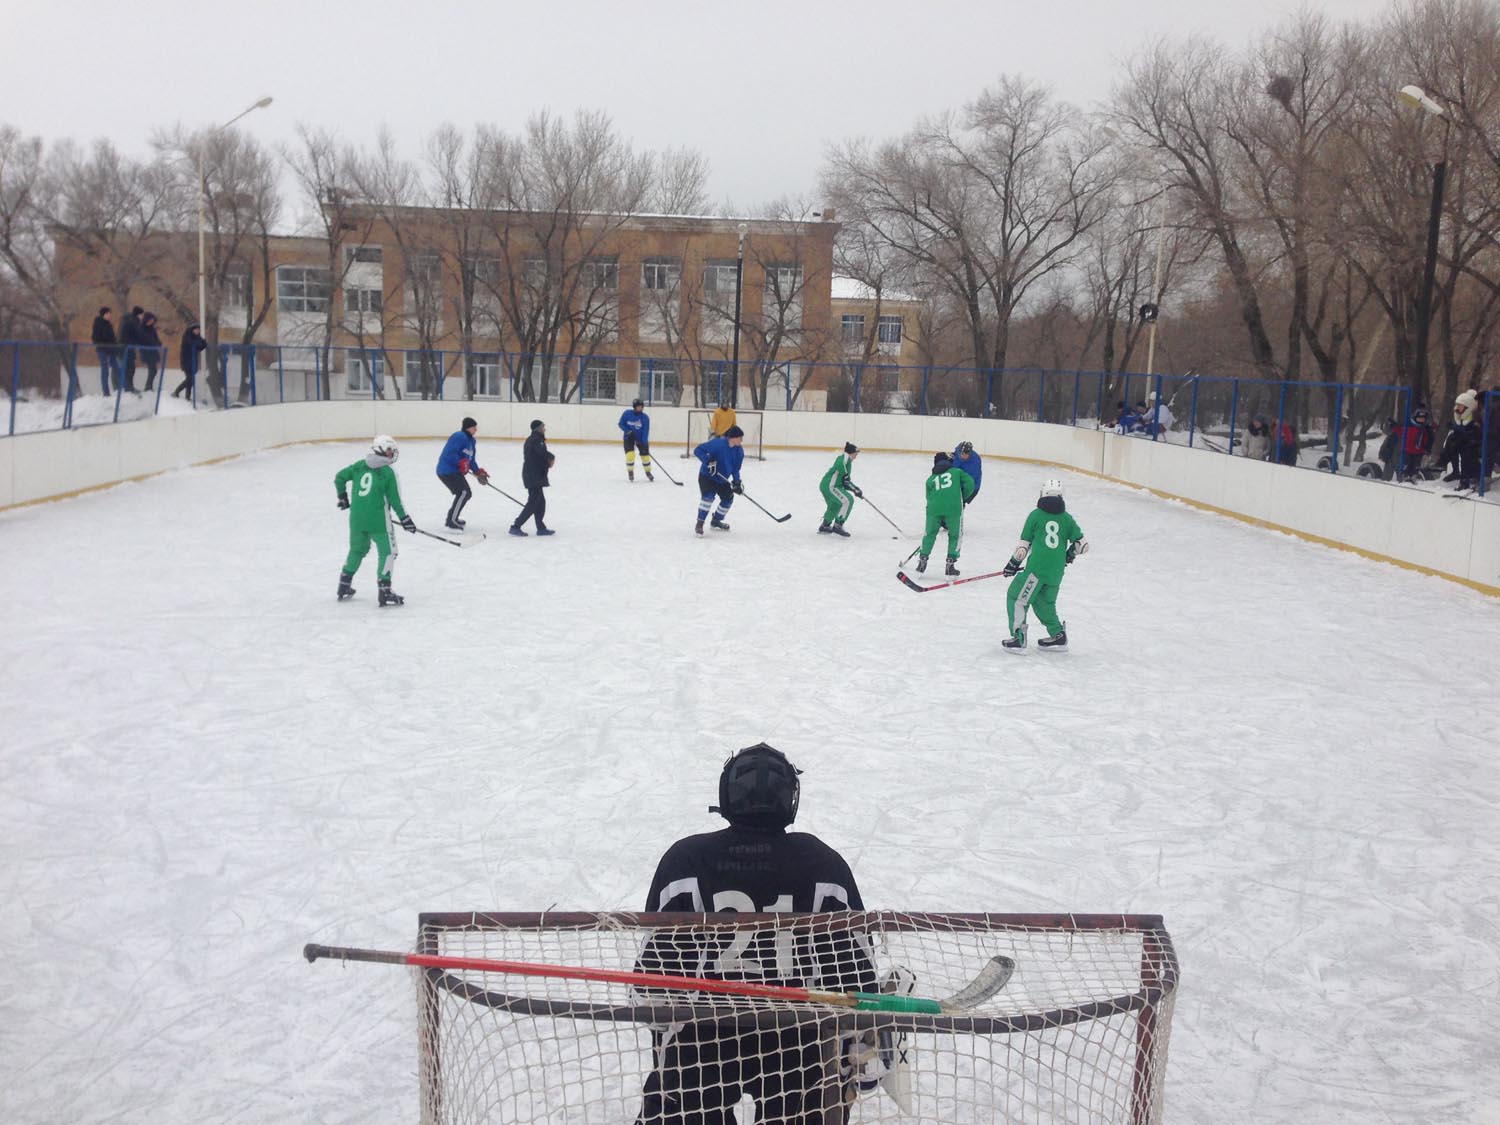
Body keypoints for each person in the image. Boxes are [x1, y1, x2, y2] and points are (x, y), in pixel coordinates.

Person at [636, 742, 875, 1124]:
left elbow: (651, 982)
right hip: (798, 1039)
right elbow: (856, 978)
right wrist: (858, 1047)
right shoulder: (824, 863)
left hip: (702, 1038)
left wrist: (665, 1050)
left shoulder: (685, 860)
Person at [1000, 479, 1087, 652]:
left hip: (1036, 571)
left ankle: (1019, 638)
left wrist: (1012, 564)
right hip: (1056, 572)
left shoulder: (1036, 515)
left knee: (1016, 598)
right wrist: (1069, 555)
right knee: (1044, 603)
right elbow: (1083, 545)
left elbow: (1023, 547)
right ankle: (1058, 636)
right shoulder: (1067, 519)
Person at [333, 435, 416, 607]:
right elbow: (395, 500)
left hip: (356, 519)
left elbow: (339, 477)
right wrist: (405, 519)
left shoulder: (359, 465)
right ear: (379, 450)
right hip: (378, 521)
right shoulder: (388, 471)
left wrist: (342, 497)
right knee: (388, 552)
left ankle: (344, 584)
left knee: (357, 550)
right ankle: (385, 590)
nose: (391, 454)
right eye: (388, 450)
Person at [915, 451, 974, 576]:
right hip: (954, 508)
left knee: (929, 534)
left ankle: (922, 560)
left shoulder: (930, 479)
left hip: (933, 509)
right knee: (955, 535)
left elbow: (928, 497)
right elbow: (970, 483)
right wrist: (962, 498)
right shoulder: (957, 472)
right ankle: (950, 565)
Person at [436, 416, 489, 530]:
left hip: (455, 471)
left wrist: (478, 472)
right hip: (446, 470)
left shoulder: (472, 441)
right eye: (474, 427)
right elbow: (449, 454)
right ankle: (451, 520)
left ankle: (453, 518)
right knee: (464, 492)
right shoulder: (459, 436)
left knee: (465, 493)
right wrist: (461, 462)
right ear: (468, 428)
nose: (476, 430)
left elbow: (471, 460)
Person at [693, 424, 745, 535]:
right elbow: (698, 450)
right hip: (707, 477)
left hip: (722, 479)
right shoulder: (718, 444)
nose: (741, 441)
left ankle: (716, 520)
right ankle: (699, 524)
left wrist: (737, 482)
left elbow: (736, 469)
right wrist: (708, 461)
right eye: (740, 438)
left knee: (728, 499)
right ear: (733, 438)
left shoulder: (739, 451)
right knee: (708, 498)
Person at [510, 419, 555, 536]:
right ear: (538, 429)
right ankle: (516, 526)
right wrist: (551, 457)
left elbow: (538, 457)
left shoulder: (535, 439)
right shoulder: (536, 440)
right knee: (534, 502)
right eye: (543, 427)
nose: (545, 429)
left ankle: (540, 527)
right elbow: (541, 454)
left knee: (540, 501)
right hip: (533, 475)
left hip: (534, 474)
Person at [1435, 390, 1483, 490]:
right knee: (1452, 440)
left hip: (1476, 445)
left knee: (1462, 447)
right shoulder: (1463, 416)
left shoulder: (1477, 416)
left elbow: (1476, 433)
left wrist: (1461, 432)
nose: (1457, 408)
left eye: (1460, 406)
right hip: (1468, 442)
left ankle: (1464, 479)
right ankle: (1443, 463)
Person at [818, 442, 862, 536]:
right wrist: (846, 476)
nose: (856, 456)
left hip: (827, 486)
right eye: (855, 453)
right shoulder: (845, 458)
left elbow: (845, 482)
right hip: (830, 486)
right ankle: (838, 524)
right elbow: (840, 464)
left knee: (835, 505)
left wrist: (855, 489)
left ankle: (825, 525)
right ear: (850, 453)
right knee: (847, 500)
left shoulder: (848, 463)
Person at [1381, 406, 1436, 482]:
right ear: (1415, 418)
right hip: (1407, 452)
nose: (1421, 421)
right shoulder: (1409, 427)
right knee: (1403, 468)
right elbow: (1400, 431)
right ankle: (1402, 479)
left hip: (1418, 454)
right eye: (1419, 418)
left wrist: (1427, 450)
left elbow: (1429, 440)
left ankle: (1411, 479)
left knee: (1414, 469)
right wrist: (1393, 426)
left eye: (1423, 419)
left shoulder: (1426, 429)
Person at [619, 398, 654, 482]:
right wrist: (628, 431)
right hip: (628, 438)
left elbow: (646, 430)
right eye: (638, 406)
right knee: (630, 455)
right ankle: (630, 471)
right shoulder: (627, 414)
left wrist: (644, 443)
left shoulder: (645, 417)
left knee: (645, 456)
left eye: (641, 407)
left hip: (641, 439)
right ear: (634, 407)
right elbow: (621, 424)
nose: (640, 408)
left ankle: (648, 472)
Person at [90, 306, 122, 395]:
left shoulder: (109, 324)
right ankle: (106, 392)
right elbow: (95, 337)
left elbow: (112, 338)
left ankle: (125, 388)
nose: (109, 315)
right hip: (103, 350)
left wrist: (115, 347)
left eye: (110, 314)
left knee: (118, 369)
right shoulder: (98, 324)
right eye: (107, 314)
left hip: (111, 350)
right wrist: (103, 343)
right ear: (103, 315)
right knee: (105, 371)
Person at [174, 324, 207, 399]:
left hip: (193, 361)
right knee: (190, 379)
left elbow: (203, 345)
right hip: (186, 361)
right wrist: (199, 343)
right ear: (192, 330)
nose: (197, 331)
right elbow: (193, 344)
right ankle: (177, 391)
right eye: (196, 329)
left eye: (199, 330)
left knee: (191, 380)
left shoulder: (197, 337)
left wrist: (202, 342)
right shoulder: (187, 336)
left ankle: (187, 396)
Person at [119, 305, 145, 393]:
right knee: (130, 368)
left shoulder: (129, 320)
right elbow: (138, 335)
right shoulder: (133, 322)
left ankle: (128, 386)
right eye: (142, 315)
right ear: (138, 314)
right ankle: (128, 387)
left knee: (130, 368)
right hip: (127, 348)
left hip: (127, 347)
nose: (142, 317)